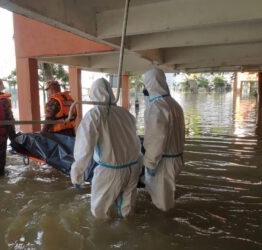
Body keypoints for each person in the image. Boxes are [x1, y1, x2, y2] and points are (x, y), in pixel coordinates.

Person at [71, 78, 142, 219]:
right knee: (127, 211)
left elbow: (84, 149)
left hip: (111, 171)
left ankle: (102, 239)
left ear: (93, 95)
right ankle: (128, 234)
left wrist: (77, 175)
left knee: (99, 213)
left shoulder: (94, 114)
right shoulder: (125, 113)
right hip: (134, 167)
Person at [142, 68, 185, 211]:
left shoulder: (157, 107)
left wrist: (149, 164)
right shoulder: (175, 105)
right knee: (167, 197)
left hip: (162, 163)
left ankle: (165, 229)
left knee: (162, 207)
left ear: (150, 84)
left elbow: (156, 140)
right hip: (176, 159)